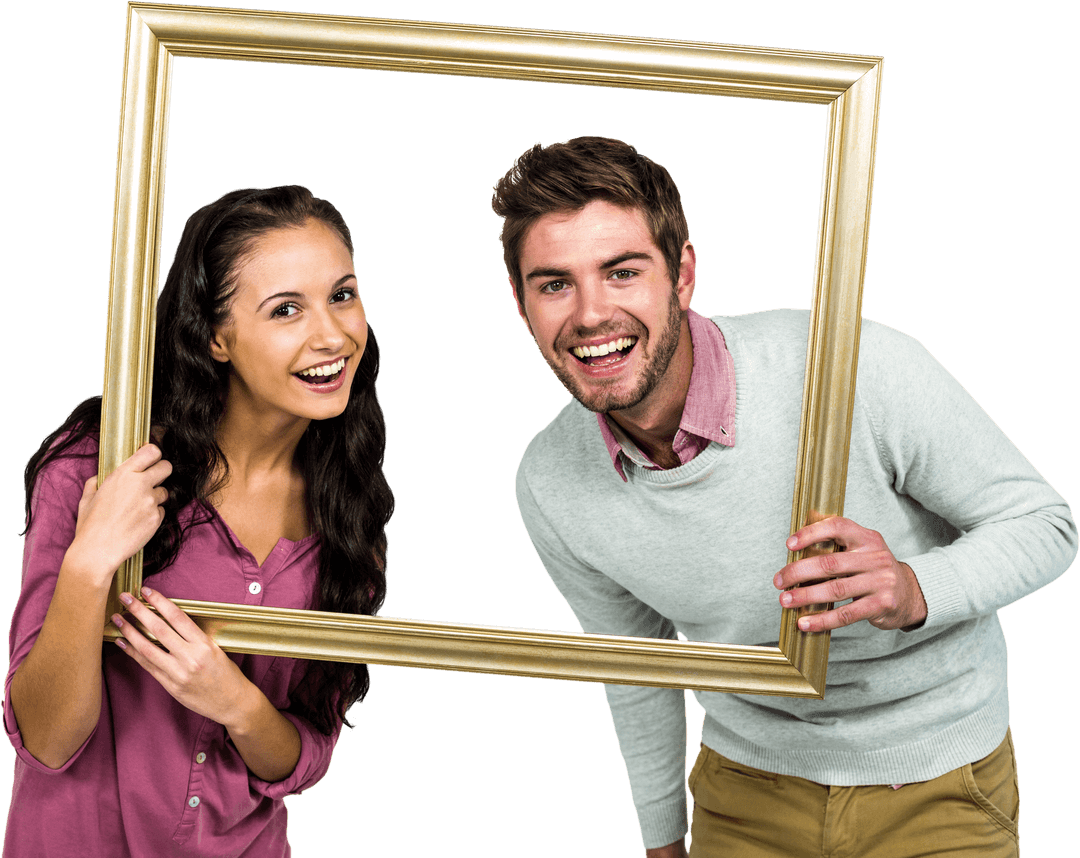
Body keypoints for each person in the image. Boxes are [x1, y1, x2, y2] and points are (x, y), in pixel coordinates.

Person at [491, 137, 1077, 858]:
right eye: (554, 285)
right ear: (520, 304)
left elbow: (1045, 525)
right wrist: (661, 839)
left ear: (682, 275)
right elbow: (637, 668)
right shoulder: (548, 480)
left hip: (938, 781)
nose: (590, 315)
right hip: (744, 794)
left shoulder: (850, 364)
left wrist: (913, 588)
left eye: (622, 272)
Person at [3, 185, 395, 856]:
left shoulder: (346, 508)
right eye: (286, 309)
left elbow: (302, 758)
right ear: (216, 337)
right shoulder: (100, 467)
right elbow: (45, 740)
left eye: (342, 295)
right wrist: (90, 563)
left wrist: (234, 701)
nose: (333, 335)